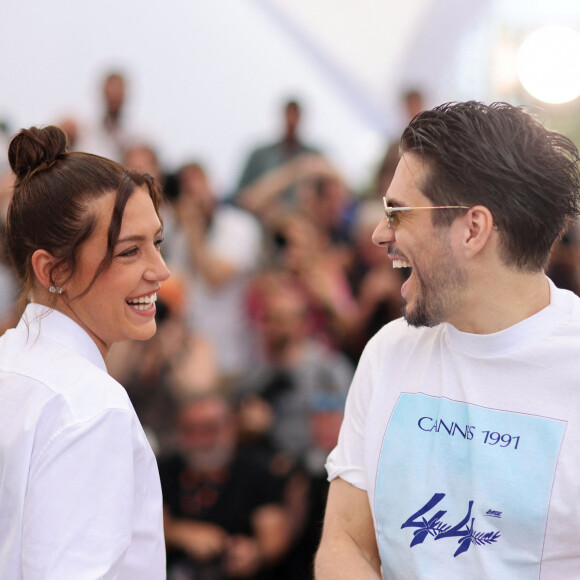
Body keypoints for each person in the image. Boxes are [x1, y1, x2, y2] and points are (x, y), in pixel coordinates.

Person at [315, 101, 580, 578]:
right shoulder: (388, 352)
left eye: (397, 213)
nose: (379, 234)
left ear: (473, 229)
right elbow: (345, 542)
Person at [0, 125, 170, 578]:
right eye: (130, 252)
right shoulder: (90, 407)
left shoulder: (11, 364)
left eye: (157, 242)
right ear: (53, 269)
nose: (161, 270)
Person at [159, 392, 291, 579]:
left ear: (230, 427)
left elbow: (274, 536)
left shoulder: (256, 471)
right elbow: (141, 524)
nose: (200, 439)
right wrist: (179, 533)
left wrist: (254, 552)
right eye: (190, 430)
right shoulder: (163, 471)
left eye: (210, 428)